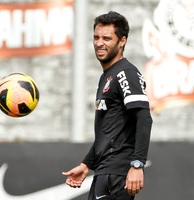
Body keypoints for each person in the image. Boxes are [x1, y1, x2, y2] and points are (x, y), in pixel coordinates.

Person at [62, 11, 153, 200]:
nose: (98, 43)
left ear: (122, 41)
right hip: (104, 172)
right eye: (96, 37)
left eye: (106, 38)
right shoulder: (108, 76)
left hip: (116, 174)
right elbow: (109, 132)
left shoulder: (125, 73)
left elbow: (144, 118)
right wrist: (87, 164)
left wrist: (137, 165)